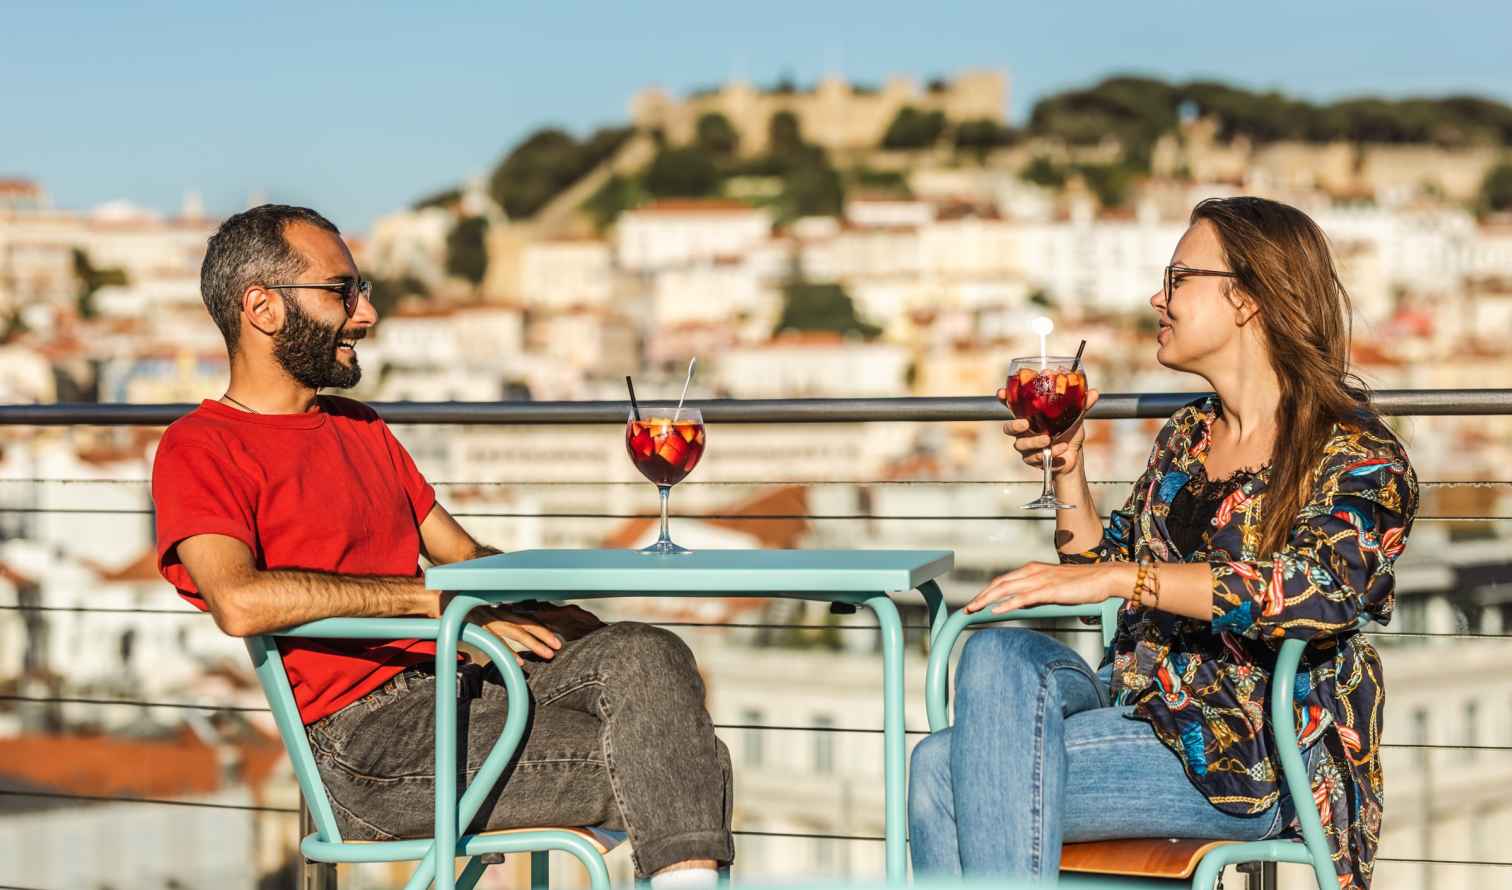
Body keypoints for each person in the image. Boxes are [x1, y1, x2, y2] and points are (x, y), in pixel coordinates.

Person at [151, 205, 732, 887]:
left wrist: (550, 609)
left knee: (647, 652)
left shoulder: (359, 427)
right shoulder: (199, 447)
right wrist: (434, 604)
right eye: (343, 292)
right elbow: (239, 601)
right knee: (671, 761)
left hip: (463, 681)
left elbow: (460, 556)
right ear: (263, 308)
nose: (365, 314)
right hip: (364, 748)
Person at [908, 197, 1416, 889]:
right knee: (996, 649)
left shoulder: (1356, 453)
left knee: (939, 769)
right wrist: (1069, 470)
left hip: (1251, 753)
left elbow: (1318, 595)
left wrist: (1127, 581)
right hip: (1141, 708)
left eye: (1178, 278)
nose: (1158, 297)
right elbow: (1099, 564)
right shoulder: (1188, 436)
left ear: (1246, 298)